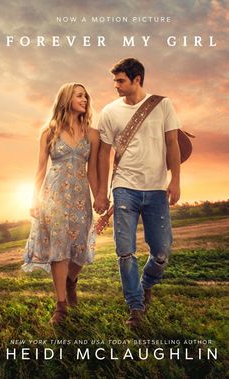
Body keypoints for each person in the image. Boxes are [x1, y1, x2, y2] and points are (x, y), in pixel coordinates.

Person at [94, 58, 181, 328]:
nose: (116, 86)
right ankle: (135, 307)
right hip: (124, 188)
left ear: (137, 80)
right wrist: (100, 191)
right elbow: (103, 153)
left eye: (120, 81)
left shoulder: (163, 105)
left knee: (162, 251)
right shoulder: (109, 111)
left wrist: (175, 179)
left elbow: (172, 142)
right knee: (125, 251)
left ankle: (146, 284)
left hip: (156, 189)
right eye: (115, 81)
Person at [22, 83, 99, 324]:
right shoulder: (49, 132)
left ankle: (70, 281)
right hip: (53, 198)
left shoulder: (93, 134)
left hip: (80, 199)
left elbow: (93, 172)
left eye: (86, 95)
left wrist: (101, 198)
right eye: (79, 95)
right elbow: (40, 169)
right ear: (66, 99)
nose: (85, 99)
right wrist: (34, 198)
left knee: (79, 248)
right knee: (58, 249)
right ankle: (61, 305)